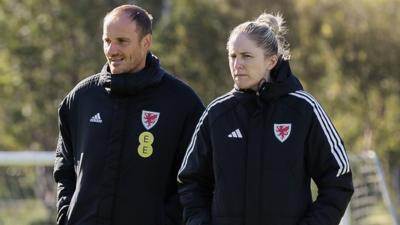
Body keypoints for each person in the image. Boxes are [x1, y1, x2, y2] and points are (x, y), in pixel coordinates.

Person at [177, 12, 353, 225]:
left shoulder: (304, 110)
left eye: (247, 56)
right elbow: (191, 182)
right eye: (233, 56)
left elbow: (338, 180)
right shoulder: (217, 113)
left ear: (271, 61)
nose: (237, 64)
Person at [53, 4, 204, 225]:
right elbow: (64, 168)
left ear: (146, 42)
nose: (112, 50)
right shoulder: (81, 98)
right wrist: (67, 215)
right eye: (107, 41)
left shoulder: (182, 103)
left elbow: (197, 180)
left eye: (122, 41)